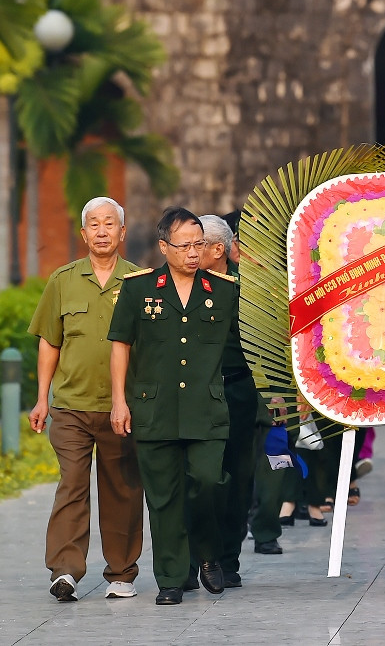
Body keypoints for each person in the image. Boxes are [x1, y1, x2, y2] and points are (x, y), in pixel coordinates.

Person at [108, 207, 238, 605]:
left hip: (206, 409)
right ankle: (170, 578)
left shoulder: (225, 290)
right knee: (162, 496)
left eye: (199, 244)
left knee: (208, 482)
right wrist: (119, 401)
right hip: (155, 408)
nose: (194, 253)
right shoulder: (138, 289)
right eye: (185, 246)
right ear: (164, 247)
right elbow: (120, 345)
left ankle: (207, 554)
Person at [27, 197, 144, 602]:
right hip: (70, 406)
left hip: (120, 407)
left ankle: (122, 572)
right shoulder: (62, 280)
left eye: (108, 224)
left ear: (122, 232)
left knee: (122, 489)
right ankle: (65, 570)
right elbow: (49, 343)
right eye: (93, 225)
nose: (101, 231)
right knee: (72, 484)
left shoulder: (139, 281)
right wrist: (42, 398)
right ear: (83, 233)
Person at [195, 214, 259, 587]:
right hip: (194, 392)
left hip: (237, 389)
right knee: (197, 475)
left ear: (218, 249)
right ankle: (194, 559)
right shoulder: (178, 287)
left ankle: (227, 558)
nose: (190, 252)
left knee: (235, 476)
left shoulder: (247, 291)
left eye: (197, 245)